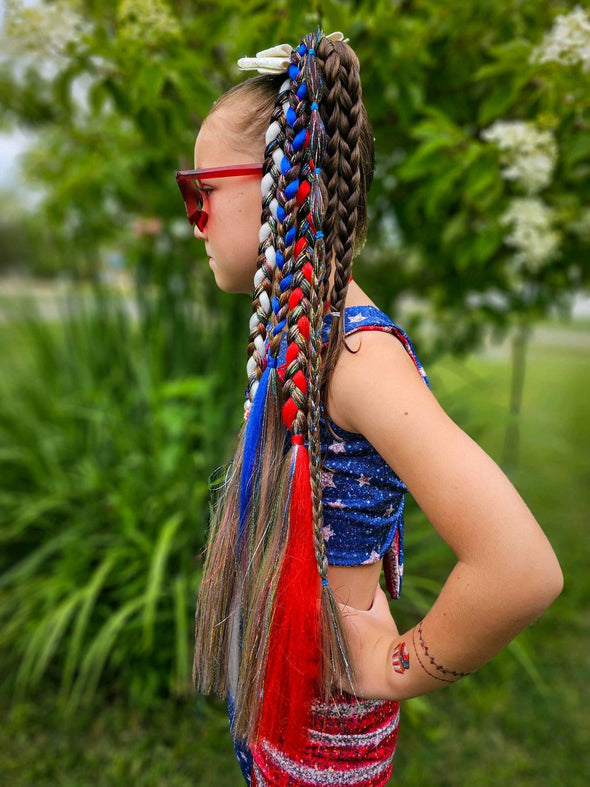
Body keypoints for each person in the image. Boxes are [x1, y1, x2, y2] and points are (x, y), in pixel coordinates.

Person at [176, 30, 563, 786]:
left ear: (284, 184)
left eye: (201, 191)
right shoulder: (306, 339)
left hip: (326, 736)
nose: (194, 218)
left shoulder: (358, 361)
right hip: (281, 706)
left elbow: (521, 568)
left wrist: (399, 667)